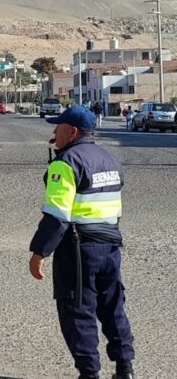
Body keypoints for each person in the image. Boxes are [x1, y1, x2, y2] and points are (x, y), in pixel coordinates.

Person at [29, 106, 135, 379]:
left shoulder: (65, 164)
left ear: (72, 131)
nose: (54, 132)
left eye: (58, 127)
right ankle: (126, 370)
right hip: (110, 246)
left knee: (78, 312)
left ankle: (90, 374)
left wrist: (39, 252)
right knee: (113, 308)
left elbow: (57, 215)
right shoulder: (110, 159)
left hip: (78, 250)